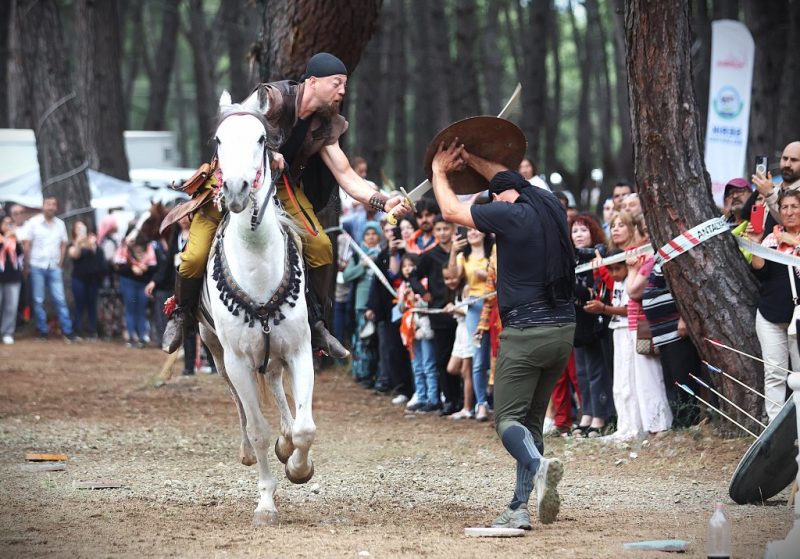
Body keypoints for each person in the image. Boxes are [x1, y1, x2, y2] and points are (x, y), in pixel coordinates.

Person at [161, 52, 410, 358]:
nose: (343, 91)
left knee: (320, 246)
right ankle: (182, 314)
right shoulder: (271, 98)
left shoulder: (325, 125)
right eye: (337, 84)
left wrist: (385, 203)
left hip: (280, 186)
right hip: (232, 180)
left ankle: (317, 324)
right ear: (313, 82)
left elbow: (346, 174)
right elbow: (240, 129)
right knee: (194, 256)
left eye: (344, 85)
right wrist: (268, 151)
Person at [431, 140, 575, 529]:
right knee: (529, 423)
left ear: (497, 199)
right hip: (563, 331)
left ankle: (539, 467)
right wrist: (472, 157)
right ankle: (519, 507)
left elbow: (449, 210)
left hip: (527, 332)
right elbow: (507, 180)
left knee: (506, 419)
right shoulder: (550, 206)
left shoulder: (510, 214)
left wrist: (441, 171)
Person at [746, 189, 800, 422]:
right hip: (770, 315)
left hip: (797, 316)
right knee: (774, 373)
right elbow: (761, 272)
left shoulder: (788, 239)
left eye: (794, 207)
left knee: (799, 375)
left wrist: (793, 243)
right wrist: (756, 245)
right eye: (784, 207)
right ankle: (775, 430)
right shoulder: (771, 238)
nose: (789, 212)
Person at [415, 215, 461, 415]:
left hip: (461, 311)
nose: (443, 233)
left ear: (453, 229)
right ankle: (449, 400)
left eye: (446, 229)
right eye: (439, 229)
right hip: (440, 313)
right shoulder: (429, 255)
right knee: (443, 358)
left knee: (462, 357)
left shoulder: (460, 250)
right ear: (434, 232)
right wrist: (423, 293)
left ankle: (465, 400)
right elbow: (413, 276)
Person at [447, 226, 493, 421]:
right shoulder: (462, 257)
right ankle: (481, 403)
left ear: (484, 231)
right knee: (478, 357)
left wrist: (489, 276)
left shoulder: (495, 251)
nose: (473, 232)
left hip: (495, 304)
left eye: (476, 229)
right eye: (469, 230)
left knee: (499, 354)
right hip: (474, 307)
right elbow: (452, 277)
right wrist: (453, 250)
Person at [20, 196, 75, 341]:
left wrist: (60, 261)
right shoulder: (33, 223)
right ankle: (43, 331)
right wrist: (26, 265)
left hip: (54, 266)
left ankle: (67, 331)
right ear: (43, 205)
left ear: (56, 207)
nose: (51, 207)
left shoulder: (60, 224)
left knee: (60, 299)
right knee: (38, 300)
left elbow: (63, 243)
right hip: (37, 265)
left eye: (53, 204)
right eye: (48, 204)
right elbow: (27, 245)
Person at [397, 253, 439, 413]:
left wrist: (416, 299)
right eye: (405, 266)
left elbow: (427, 304)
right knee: (417, 365)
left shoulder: (425, 282)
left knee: (429, 363)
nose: (408, 269)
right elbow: (401, 308)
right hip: (409, 329)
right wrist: (404, 298)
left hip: (425, 327)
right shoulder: (403, 285)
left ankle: (433, 397)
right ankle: (420, 396)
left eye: (411, 265)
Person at [342, 221, 382, 387]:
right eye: (367, 234)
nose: (371, 237)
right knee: (362, 340)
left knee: (375, 341)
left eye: (374, 234)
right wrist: (363, 266)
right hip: (361, 304)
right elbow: (347, 276)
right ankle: (361, 373)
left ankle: (375, 373)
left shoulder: (382, 254)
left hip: (378, 304)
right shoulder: (358, 255)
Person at [114, 224, 157, 348]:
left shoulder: (148, 247)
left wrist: (145, 268)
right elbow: (118, 266)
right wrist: (132, 268)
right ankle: (132, 336)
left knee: (141, 309)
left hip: (142, 283)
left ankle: (142, 336)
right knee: (130, 308)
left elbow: (154, 266)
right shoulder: (123, 248)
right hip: (128, 281)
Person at [67, 220, 106, 339]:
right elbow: (74, 255)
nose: (81, 231)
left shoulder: (92, 242)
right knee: (79, 305)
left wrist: (92, 244)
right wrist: (78, 242)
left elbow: (97, 254)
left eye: (82, 228)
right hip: (78, 279)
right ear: (74, 231)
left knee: (92, 305)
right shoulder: (72, 244)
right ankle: (77, 330)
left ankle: (92, 331)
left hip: (92, 279)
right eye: (78, 228)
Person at [752, 141, 800, 224]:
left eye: (794, 160)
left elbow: (791, 222)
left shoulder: (770, 192)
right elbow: (744, 214)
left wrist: (769, 194)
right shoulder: (774, 189)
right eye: (785, 158)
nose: (787, 164)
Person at [0, 216, 23, 344]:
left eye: (10, 223)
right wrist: (4, 241)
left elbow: (20, 255)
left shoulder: (15, 239)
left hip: (13, 276)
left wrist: (16, 240)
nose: (8, 225)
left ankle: (7, 332)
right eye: (6, 223)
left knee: (11, 306)